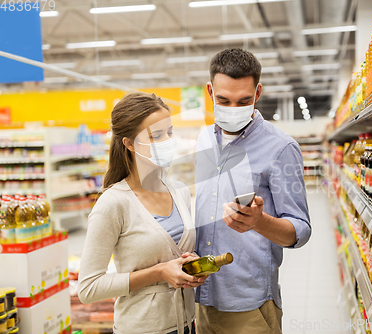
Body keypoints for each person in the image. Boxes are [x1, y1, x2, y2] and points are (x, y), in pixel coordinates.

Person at [194, 48, 312, 333]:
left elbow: (301, 230)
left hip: (248, 305)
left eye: (243, 101)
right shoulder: (203, 138)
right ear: (210, 91)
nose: (233, 110)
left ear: (258, 93)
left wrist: (259, 222)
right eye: (223, 100)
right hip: (201, 296)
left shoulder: (281, 148)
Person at [78, 92, 207, 334]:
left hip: (187, 325)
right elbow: (88, 288)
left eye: (169, 132)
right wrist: (159, 272)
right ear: (129, 143)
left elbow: (176, 253)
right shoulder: (113, 203)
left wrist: (193, 267)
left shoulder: (178, 191)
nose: (167, 141)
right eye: (156, 135)